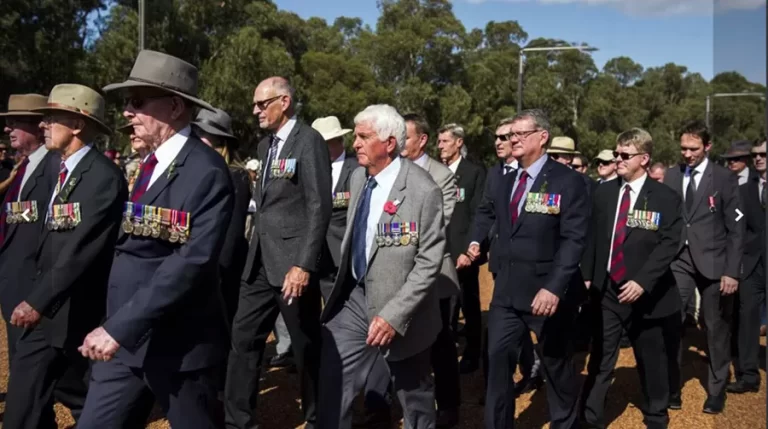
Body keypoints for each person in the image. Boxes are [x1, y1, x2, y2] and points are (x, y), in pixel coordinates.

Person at [77, 50, 233, 429]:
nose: (127, 112)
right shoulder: (148, 166)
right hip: (127, 341)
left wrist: (118, 327)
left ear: (175, 106)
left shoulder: (206, 172)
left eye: (138, 102)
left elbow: (188, 264)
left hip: (178, 347)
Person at [3, 84, 127, 429]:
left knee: (87, 400)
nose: (43, 124)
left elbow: (78, 251)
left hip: (75, 313)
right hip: (48, 316)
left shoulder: (103, 178)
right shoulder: (62, 172)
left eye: (52, 117)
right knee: (23, 405)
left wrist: (36, 301)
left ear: (77, 124)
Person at [316, 104, 444, 429]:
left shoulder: (423, 190)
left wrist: (394, 315)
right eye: (355, 136)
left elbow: (429, 263)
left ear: (388, 143)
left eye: (363, 136)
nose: (355, 143)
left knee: (414, 401)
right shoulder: (358, 177)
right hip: (358, 300)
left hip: (405, 310)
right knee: (333, 375)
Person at [467, 109, 589, 429]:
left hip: (547, 294)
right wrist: (476, 240)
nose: (513, 140)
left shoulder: (569, 181)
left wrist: (554, 286)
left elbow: (574, 240)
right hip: (506, 292)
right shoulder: (503, 179)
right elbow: (486, 214)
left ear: (542, 137)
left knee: (556, 365)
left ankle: (566, 423)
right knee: (496, 363)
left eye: (520, 134)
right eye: (510, 135)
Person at [226, 76, 331, 429]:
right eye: (254, 104)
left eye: (261, 104)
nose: (255, 110)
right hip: (258, 261)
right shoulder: (263, 147)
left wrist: (303, 264)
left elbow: (319, 205)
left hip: (292, 266)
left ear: (283, 102)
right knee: (242, 339)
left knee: (305, 347)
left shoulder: (309, 141)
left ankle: (319, 418)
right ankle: (238, 421)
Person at [581, 128, 683, 429]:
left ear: (644, 158)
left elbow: (669, 244)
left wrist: (642, 282)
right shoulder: (604, 193)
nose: (618, 160)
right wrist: (588, 276)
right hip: (608, 291)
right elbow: (592, 239)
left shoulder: (665, 197)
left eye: (625, 155)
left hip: (647, 296)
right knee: (601, 357)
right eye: (616, 154)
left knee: (651, 358)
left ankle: (655, 413)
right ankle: (590, 417)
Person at [662, 120, 743, 414]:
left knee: (715, 327)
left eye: (693, 148)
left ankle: (717, 389)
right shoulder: (671, 175)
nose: (687, 154)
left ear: (707, 147)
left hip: (715, 263)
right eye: (683, 148)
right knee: (672, 321)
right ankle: (672, 388)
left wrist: (732, 271)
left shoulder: (723, 178)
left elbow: (736, 229)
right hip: (678, 260)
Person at [0, 93, 58, 364]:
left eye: (15, 122)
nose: (7, 128)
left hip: (33, 286)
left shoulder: (54, 167)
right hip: (14, 282)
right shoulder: (22, 168)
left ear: (39, 126)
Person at [192, 107, 251, 326]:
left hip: (223, 265)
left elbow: (233, 231)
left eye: (202, 136)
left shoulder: (236, 176)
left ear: (220, 143)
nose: (196, 141)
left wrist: (217, 269)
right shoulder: (196, 170)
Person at [438, 122, 487, 376]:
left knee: (468, 305)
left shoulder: (474, 173)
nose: (440, 146)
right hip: (438, 253)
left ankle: (472, 354)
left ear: (459, 142)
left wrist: (469, 251)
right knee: (443, 308)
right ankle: (445, 353)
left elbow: (479, 214)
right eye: (439, 141)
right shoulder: (434, 172)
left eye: (445, 141)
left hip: (463, 254)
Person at [728, 140, 766, 394]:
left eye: (764, 154)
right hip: (752, 264)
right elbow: (737, 224)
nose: (758, 158)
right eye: (755, 155)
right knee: (747, 319)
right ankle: (748, 375)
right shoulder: (745, 188)